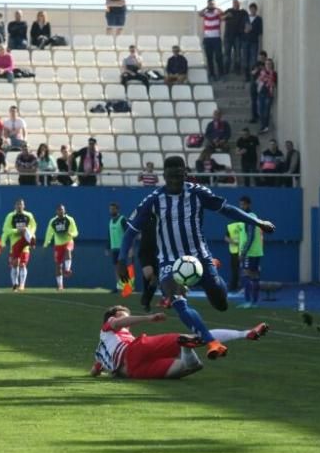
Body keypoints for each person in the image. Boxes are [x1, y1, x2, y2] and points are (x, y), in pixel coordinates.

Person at [117, 156, 276, 359]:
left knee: (221, 303)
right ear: (164, 175)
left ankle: (215, 280)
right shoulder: (154, 200)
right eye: (171, 174)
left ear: (185, 173)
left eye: (178, 174)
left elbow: (226, 209)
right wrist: (122, 260)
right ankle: (212, 343)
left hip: (200, 258)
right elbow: (131, 231)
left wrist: (257, 222)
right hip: (170, 262)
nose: (174, 178)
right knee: (176, 299)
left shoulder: (198, 193)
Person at [91, 306, 267, 379]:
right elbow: (117, 323)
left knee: (189, 367)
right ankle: (245, 334)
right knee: (196, 337)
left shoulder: (101, 349)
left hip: (133, 371)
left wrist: (101, 372)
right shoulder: (109, 326)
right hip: (135, 350)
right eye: (126, 318)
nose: (128, 322)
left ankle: (186, 347)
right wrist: (148, 317)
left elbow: (95, 371)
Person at [1, 199, 37, 291]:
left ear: (24, 206)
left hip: (24, 242)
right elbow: (5, 229)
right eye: (17, 205)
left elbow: (33, 226)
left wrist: (31, 233)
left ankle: (22, 285)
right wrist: (16, 231)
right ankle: (14, 284)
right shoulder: (10, 216)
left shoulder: (29, 215)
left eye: (21, 204)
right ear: (15, 206)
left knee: (23, 264)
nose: (19, 206)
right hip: (14, 243)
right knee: (15, 264)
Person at [235, 196, 264, 309]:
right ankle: (254, 302)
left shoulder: (249, 217)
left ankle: (248, 301)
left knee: (246, 275)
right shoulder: (249, 217)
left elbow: (251, 236)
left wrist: (243, 252)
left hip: (250, 252)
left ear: (248, 205)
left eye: (243, 205)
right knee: (254, 276)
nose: (241, 207)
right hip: (256, 251)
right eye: (240, 205)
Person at [44, 204, 79, 291]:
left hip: (68, 241)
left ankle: (67, 270)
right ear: (56, 211)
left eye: (62, 210)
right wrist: (46, 243)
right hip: (58, 245)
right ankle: (60, 285)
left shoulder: (69, 219)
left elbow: (76, 232)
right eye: (59, 210)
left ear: (65, 210)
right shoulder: (53, 221)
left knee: (68, 250)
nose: (61, 211)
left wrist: (72, 234)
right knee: (58, 265)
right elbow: (49, 233)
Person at [106, 202, 129, 293]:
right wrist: (108, 247)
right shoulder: (110, 221)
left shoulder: (123, 219)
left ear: (117, 210)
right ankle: (118, 286)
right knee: (116, 268)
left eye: (113, 209)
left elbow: (128, 233)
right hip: (114, 248)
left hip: (122, 247)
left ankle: (126, 286)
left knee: (122, 267)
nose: (111, 210)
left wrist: (129, 247)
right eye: (110, 209)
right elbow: (109, 235)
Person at [199, 0, 224, 81]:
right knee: (209, 58)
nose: (211, 6)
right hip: (207, 39)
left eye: (212, 4)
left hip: (216, 38)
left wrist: (216, 7)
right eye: (210, 4)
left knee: (218, 57)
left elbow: (223, 13)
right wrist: (206, 7)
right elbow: (199, 13)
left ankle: (221, 74)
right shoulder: (205, 13)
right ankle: (212, 74)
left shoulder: (217, 13)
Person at [222, 0, 248, 76]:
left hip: (238, 37)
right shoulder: (229, 10)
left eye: (238, 3)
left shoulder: (243, 12)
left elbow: (248, 20)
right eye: (235, 3)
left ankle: (237, 70)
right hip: (228, 37)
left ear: (240, 4)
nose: (236, 4)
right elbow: (221, 18)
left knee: (238, 55)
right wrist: (227, 15)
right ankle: (226, 70)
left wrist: (247, 27)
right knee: (227, 54)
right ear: (233, 3)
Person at [241, 3, 263, 82]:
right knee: (245, 59)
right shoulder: (245, 18)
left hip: (254, 41)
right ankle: (246, 76)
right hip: (245, 41)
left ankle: (253, 76)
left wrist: (252, 29)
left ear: (256, 10)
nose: (252, 10)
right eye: (251, 9)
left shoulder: (259, 19)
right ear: (249, 9)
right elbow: (241, 28)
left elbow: (260, 31)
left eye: (254, 9)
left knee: (253, 60)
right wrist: (244, 31)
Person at [257, 58, 277, 134]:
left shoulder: (273, 73)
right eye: (267, 64)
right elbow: (258, 81)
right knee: (260, 111)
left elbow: (274, 84)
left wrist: (269, 80)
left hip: (268, 94)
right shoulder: (262, 72)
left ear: (272, 65)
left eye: (269, 64)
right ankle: (263, 126)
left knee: (266, 111)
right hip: (261, 93)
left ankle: (265, 126)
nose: (268, 65)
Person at [225, 216, 244, 295]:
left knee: (236, 270)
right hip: (243, 251)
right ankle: (239, 285)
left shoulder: (230, 226)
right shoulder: (244, 225)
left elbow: (226, 238)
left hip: (236, 251)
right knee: (241, 270)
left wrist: (233, 242)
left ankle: (235, 286)